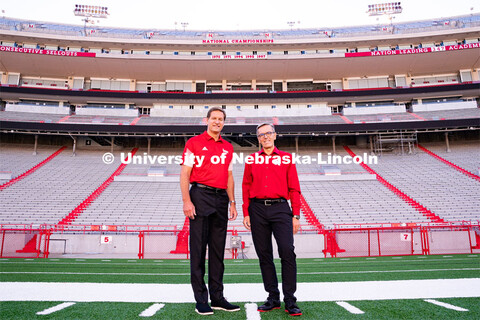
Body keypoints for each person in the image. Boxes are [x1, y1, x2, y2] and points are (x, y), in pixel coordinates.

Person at [180, 107, 240, 315]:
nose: (217, 122)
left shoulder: (228, 147)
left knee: (217, 252)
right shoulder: (194, 143)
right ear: (206, 120)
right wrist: (187, 201)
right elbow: (185, 174)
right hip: (200, 195)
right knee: (198, 251)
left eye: (220, 119)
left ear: (224, 122)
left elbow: (230, 177)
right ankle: (201, 299)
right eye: (213, 118)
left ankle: (217, 297)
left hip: (221, 199)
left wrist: (233, 201)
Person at [242, 123, 302, 316]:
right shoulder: (251, 159)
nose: (265, 137)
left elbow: (294, 188)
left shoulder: (286, 158)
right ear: (258, 139)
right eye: (261, 135)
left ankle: (290, 300)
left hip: (281, 209)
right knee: (264, 254)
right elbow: (245, 185)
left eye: (268, 133)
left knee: (287, 251)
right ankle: (273, 297)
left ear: (275, 136)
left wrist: (296, 215)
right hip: (257, 209)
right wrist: (246, 212)